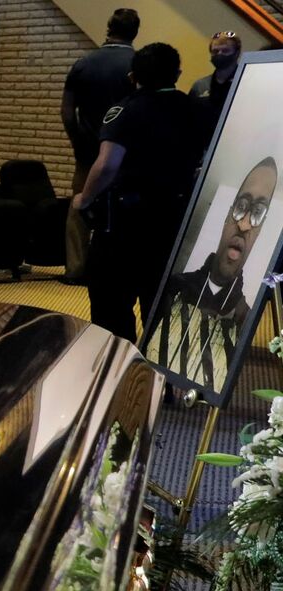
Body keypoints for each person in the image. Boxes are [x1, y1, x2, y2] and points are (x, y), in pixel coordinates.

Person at [73, 43, 206, 344]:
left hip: (126, 223)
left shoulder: (125, 109)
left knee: (111, 306)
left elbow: (107, 164)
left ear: (133, 76)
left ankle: (119, 370)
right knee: (160, 307)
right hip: (175, 220)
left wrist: (85, 198)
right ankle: (160, 380)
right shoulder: (197, 110)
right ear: (178, 74)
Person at [145, 158, 275, 396]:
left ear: (261, 231)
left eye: (257, 213)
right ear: (227, 216)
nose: (244, 224)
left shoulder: (244, 317)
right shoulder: (174, 287)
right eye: (241, 206)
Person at [61, 8, 139, 283]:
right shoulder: (137, 64)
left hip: (86, 149)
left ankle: (75, 270)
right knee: (121, 211)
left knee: (79, 206)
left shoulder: (84, 63)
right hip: (124, 153)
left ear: (108, 28)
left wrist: (76, 140)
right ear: (135, 32)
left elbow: (68, 111)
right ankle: (112, 270)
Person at [191, 32, 242, 126]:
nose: (220, 54)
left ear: (237, 53)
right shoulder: (200, 86)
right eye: (215, 51)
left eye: (225, 51)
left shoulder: (244, 84)